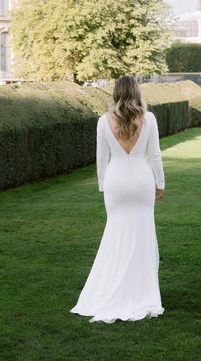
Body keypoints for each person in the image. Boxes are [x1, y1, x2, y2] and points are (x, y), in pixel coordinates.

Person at [70, 75, 165, 323]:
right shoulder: (149, 119)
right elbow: (154, 154)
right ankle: (143, 291)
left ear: (115, 93)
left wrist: (103, 185)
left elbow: (101, 158)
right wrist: (161, 182)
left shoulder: (104, 121)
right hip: (143, 180)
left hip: (116, 181)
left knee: (115, 232)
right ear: (136, 92)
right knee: (143, 233)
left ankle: (112, 286)